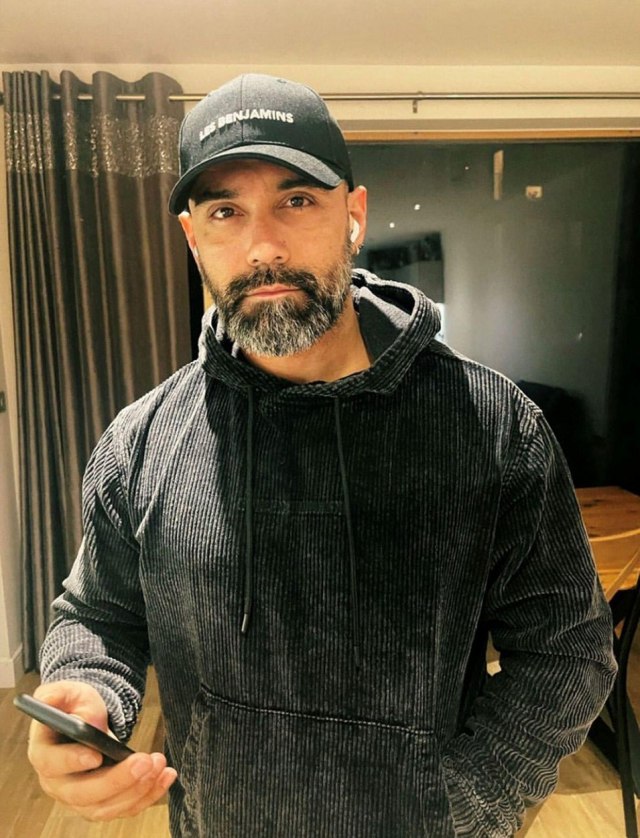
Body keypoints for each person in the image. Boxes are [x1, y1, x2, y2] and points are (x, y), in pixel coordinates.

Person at [27, 73, 616, 837]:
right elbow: (97, 614)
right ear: (194, 237)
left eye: (297, 200)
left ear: (354, 215)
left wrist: (461, 808)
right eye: (225, 211)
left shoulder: (494, 427)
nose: (264, 247)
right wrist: (86, 688)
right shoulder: (141, 443)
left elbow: (569, 651)